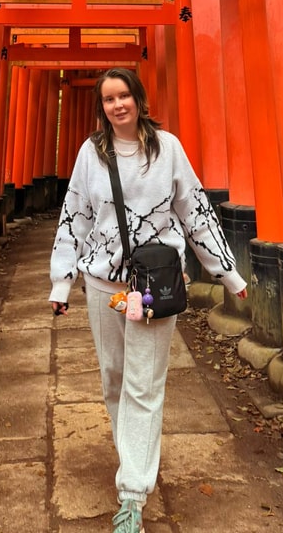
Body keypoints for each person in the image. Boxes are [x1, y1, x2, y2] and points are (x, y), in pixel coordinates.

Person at [49, 67, 247, 533]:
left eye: (124, 96)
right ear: (101, 108)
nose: (118, 105)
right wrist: (62, 282)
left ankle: (132, 494)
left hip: (155, 287)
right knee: (115, 380)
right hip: (105, 286)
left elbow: (196, 212)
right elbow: (75, 215)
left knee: (143, 385)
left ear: (139, 99)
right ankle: (134, 461)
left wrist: (227, 273)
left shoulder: (168, 148)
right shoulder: (90, 154)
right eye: (108, 99)